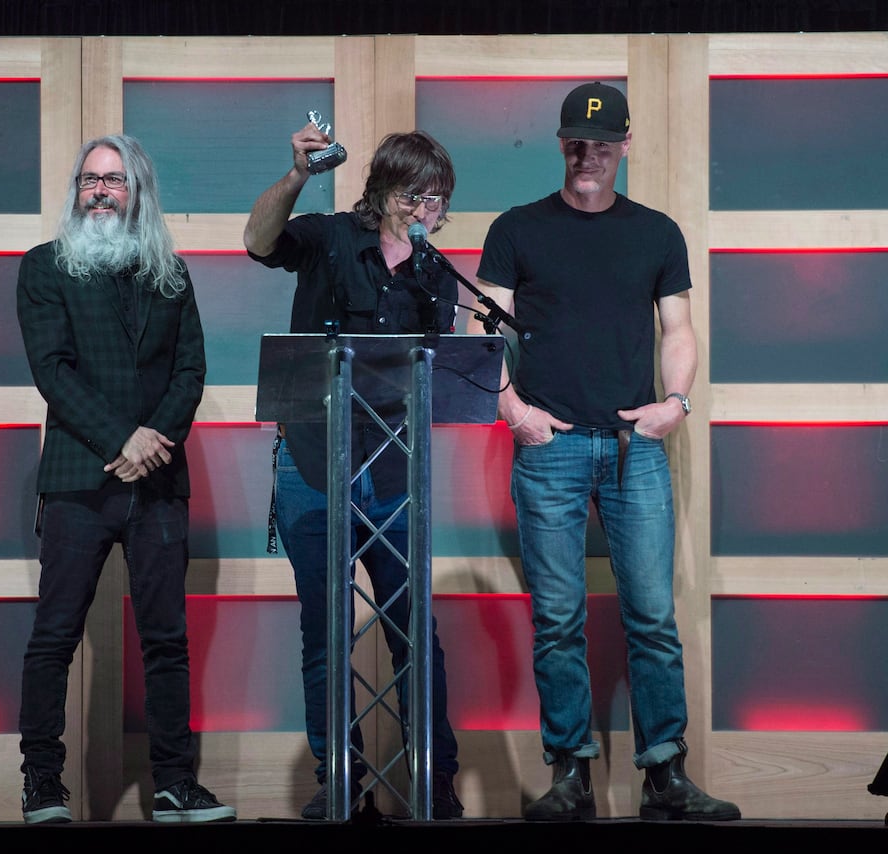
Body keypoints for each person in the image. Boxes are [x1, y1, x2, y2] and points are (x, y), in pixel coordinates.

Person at [467, 82, 741, 822]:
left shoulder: (656, 232)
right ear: (562, 144)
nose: (589, 154)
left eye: (602, 142)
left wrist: (674, 406)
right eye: (576, 142)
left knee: (652, 615)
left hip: (633, 450)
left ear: (625, 145)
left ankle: (666, 779)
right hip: (549, 448)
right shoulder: (518, 228)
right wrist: (513, 411)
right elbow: (482, 336)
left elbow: (678, 330)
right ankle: (571, 778)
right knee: (558, 618)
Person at [243, 125, 465, 820]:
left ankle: (432, 782)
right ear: (382, 192)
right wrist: (297, 175)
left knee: (411, 627)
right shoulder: (331, 236)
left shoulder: (435, 272)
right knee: (326, 631)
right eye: (414, 196)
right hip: (313, 461)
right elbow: (258, 242)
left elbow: (448, 369)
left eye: (438, 199)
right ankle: (343, 781)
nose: (426, 210)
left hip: (394, 472)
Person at [14, 134, 235, 825]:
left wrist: (153, 444)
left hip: (158, 482)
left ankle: (174, 783)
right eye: (88, 181)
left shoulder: (169, 271)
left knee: (166, 637)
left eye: (113, 180)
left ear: (138, 190)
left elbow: (190, 371)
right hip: (80, 478)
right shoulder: (44, 267)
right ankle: (42, 785)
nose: (99, 191)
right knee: (55, 634)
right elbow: (53, 371)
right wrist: (123, 439)